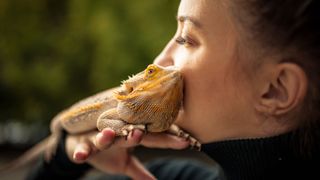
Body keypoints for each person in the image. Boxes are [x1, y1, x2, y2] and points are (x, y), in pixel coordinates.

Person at [27, 0, 320, 179]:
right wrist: (65, 159)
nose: (159, 61)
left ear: (276, 88)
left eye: (187, 39)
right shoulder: (162, 175)